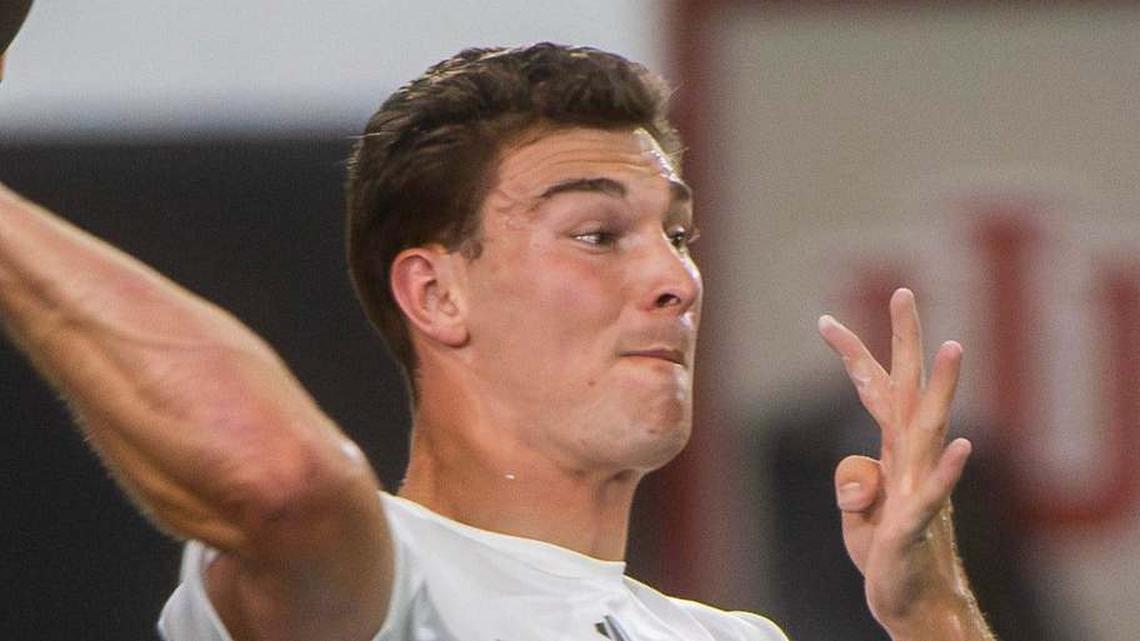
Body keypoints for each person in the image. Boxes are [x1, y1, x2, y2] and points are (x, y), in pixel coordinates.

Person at [0, 43, 995, 641]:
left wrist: (934, 612)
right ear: (435, 292)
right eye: (599, 233)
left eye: (679, 234)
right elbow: (282, 481)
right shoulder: (392, 579)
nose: (675, 277)